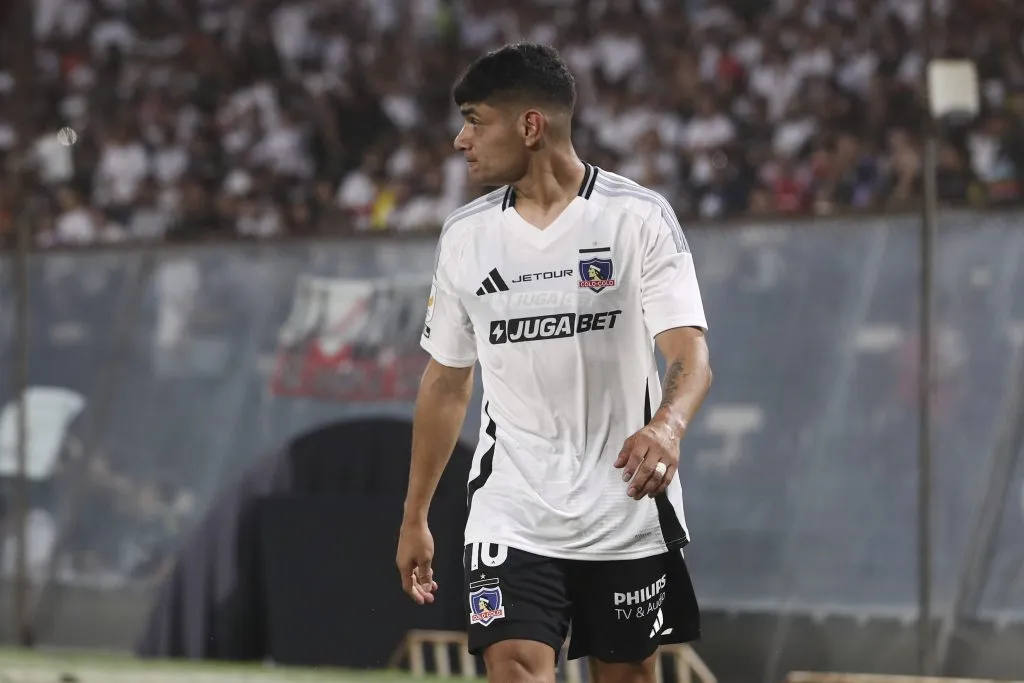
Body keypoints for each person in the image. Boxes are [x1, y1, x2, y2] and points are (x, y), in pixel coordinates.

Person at [396, 42, 713, 683]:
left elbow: (689, 352)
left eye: (475, 120)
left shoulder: (638, 218)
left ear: (530, 126)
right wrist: (415, 515)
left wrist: (667, 427)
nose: (461, 140)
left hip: (622, 506)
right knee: (513, 668)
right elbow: (446, 383)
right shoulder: (466, 236)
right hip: (511, 510)